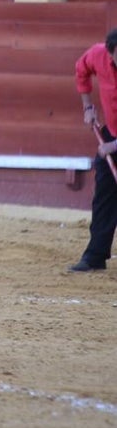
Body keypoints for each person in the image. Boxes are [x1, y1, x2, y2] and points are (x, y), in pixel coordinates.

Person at [69, 28, 117, 272]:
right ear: (110, 53)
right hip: (112, 132)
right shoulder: (98, 55)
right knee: (104, 197)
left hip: (113, 141)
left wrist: (113, 146)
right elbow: (81, 69)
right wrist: (88, 107)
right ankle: (95, 256)